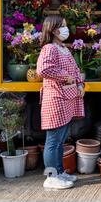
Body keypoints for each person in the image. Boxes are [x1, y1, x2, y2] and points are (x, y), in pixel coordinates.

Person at [37, 15, 85, 189]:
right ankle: (51, 177)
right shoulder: (49, 48)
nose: (66, 29)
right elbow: (43, 69)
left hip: (66, 98)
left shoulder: (63, 48)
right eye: (63, 26)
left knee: (60, 140)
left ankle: (59, 172)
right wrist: (67, 77)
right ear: (54, 29)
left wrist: (80, 83)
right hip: (55, 98)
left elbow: (76, 69)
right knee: (53, 140)